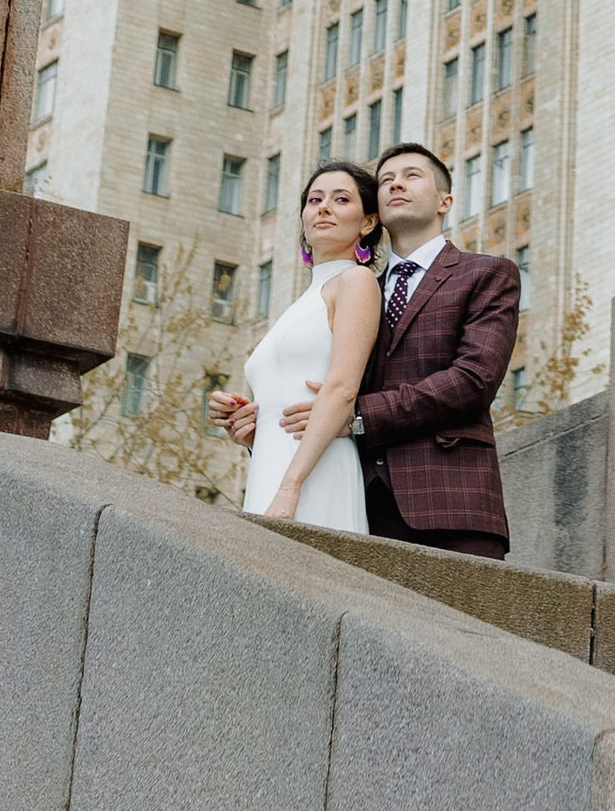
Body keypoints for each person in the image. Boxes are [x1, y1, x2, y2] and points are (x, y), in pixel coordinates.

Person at [284, 141, 519, 559]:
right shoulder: (358, 291)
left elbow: (473, 380)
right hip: (360, 507)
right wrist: (263, 425)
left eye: (412, 176)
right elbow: (327, 387)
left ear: (445, 201)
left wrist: (360, 417)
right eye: (386, 180)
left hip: (453, 504)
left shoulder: (487, 274)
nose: (396, 184)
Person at [211, 160, 382, 529]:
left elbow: (342, 389)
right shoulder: (301, 303)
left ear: (368, 222)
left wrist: (291, 486)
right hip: (269, 470)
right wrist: (247, 428)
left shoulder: (355, 281)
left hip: (314, 475)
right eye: (314, 200)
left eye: (341, 200)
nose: (324, 208)